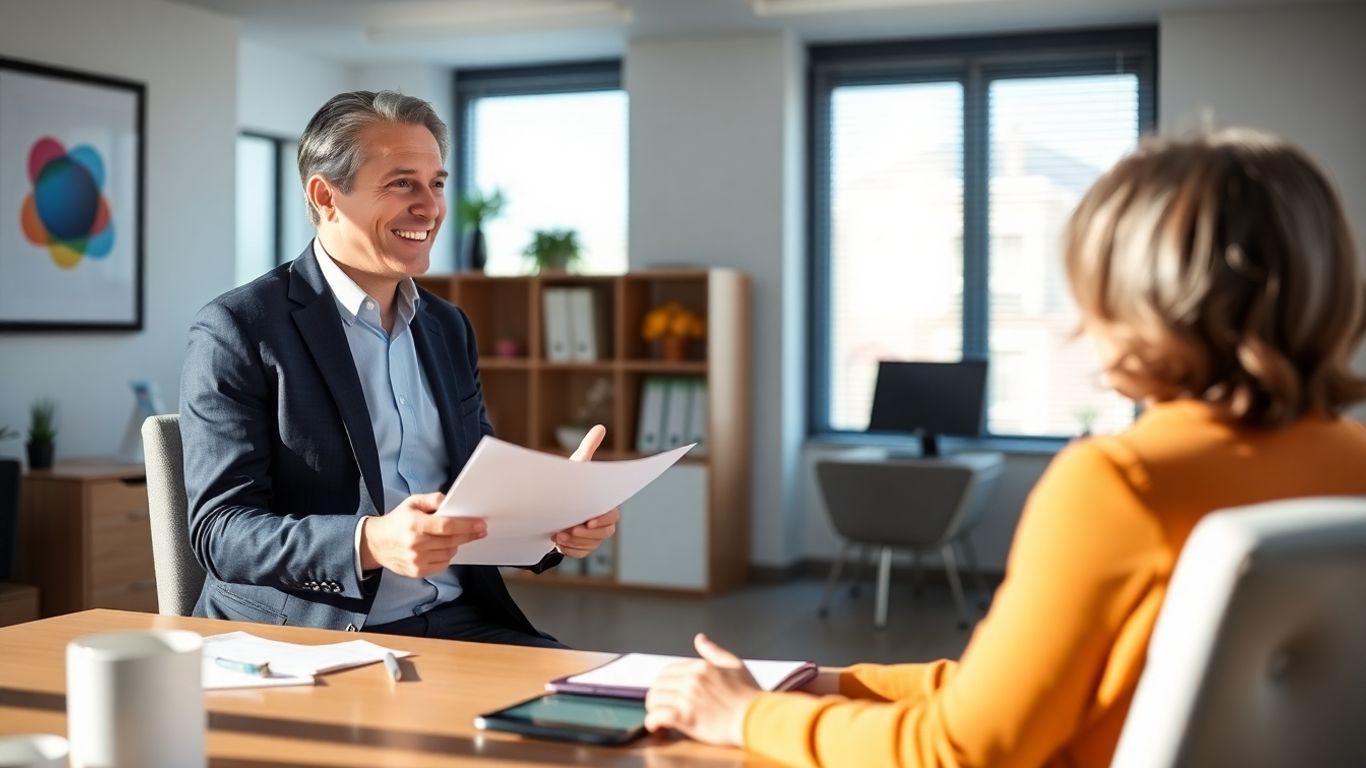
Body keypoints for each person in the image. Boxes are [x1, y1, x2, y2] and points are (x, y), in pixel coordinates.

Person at [643, 130, 1366, 765]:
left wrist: (746, 715)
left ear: (1133, 301)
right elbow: (1014, 696)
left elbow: (958, 753)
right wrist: (830, 682)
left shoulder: (1123, 482)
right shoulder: (1352, 464)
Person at [180, 90, 618, 646]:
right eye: (402, 183)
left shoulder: (447, 327)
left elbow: (472, 491)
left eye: (436, 183)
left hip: (463, 622)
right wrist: (370, 541)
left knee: (598, 714)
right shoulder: (238, 328)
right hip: (313, 637)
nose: (431, 207)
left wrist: (553, 523)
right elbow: (221, 533)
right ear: (326, 195)